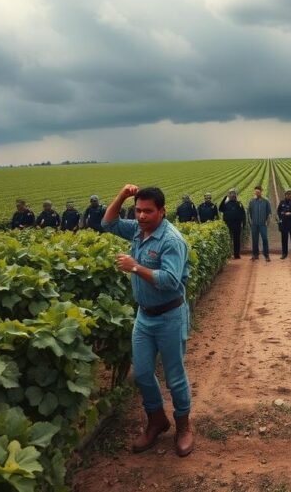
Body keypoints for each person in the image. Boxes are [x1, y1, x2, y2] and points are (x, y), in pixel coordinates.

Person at [102, 185, 193, 457]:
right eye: (138, 210)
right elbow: (108, 223)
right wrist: (121, 196)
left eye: (148, 211)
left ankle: (184, 426)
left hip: (170, 316)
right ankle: (156, 421)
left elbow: (170, 280)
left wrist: (135, 267)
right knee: (142, 373)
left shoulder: (171, 240)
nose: (141, 216)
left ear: (162, 211)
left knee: (174, 377)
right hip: (144, 316)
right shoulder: (137, 230)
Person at [219, 189, 246, 259]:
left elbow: (243, 214)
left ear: (236, 195)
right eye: (231, 194)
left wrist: (244, 223)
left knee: (237, 240)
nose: (233, 196)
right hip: (228, 224)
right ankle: (228, 254)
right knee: (228, 240)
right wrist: (225, 198)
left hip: (237, 225)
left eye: (234, 194)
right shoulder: (226, 204)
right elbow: (220, 209)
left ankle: (236, 255)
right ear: (229, 195)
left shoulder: (239, 204)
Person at [248, 185, 271, 261]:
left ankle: (266, 255)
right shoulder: (252, 201)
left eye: (258, 191)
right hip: (254, 224)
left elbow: (269, 212)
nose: (257, 193)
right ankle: (255, 254)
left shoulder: (266, 201)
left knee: (264, 239)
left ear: (261, 192)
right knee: (255, 239)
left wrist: (267, 221)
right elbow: (249, 212)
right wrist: (251, 222)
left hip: (262, 224)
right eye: (256, 192)